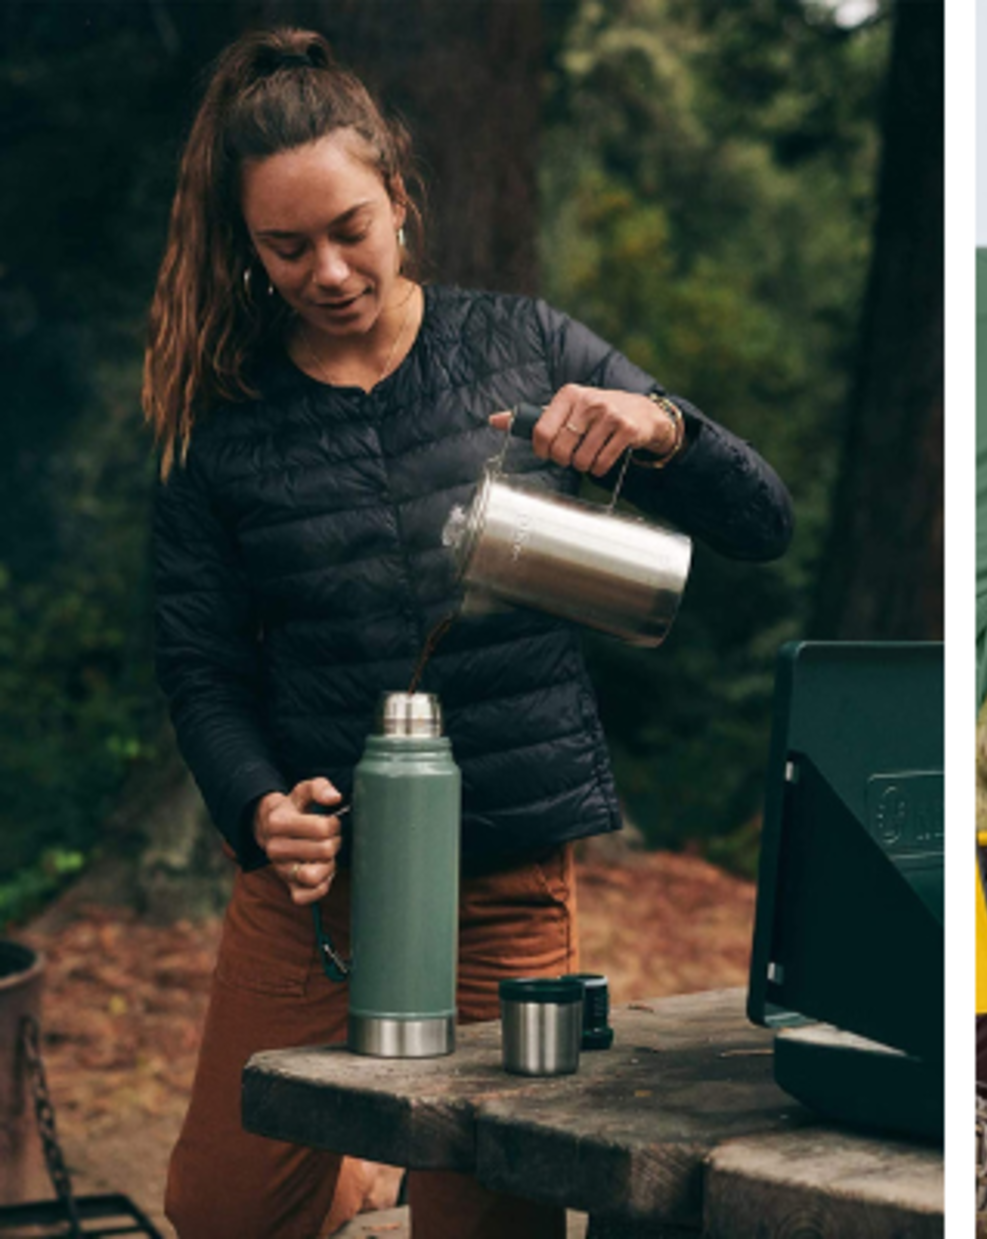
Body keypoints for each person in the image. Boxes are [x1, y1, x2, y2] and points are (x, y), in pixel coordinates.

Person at [145, 29, 791, 1238]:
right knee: (227, 1215)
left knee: (489, 1226)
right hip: (314, 895)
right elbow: (202, 667)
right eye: (285, 247)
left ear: (398, 194)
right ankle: (352, 1171)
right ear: (246, 246)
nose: (327, 270)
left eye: (349, 228)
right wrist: (255, 810)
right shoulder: (226, 424)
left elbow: (762, 524)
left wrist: (659, 428)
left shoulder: (523, 345)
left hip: (502, 874)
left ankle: (399, 1176)